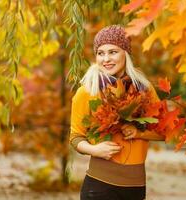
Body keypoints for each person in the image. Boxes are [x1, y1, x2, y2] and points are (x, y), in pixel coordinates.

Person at [69, 25, 165, 200]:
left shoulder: (145, 89)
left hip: (135, 187)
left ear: (126, 54)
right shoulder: (87, 91)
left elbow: (164, 131)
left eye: (113, 52)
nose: (106, 59)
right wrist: (94, 150)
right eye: (100, 53)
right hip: (99, 186)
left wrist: (139, 132)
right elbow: (75, 137)